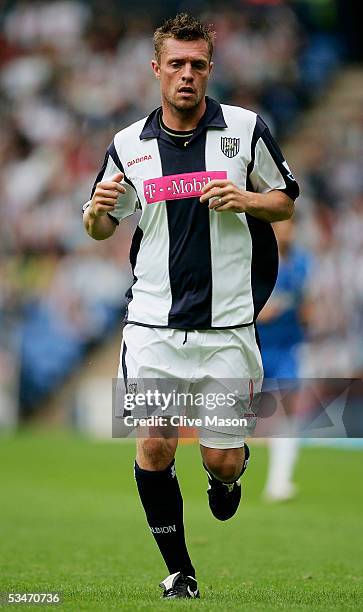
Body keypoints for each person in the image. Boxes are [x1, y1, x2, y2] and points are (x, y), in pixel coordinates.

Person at [83, 13, 299, 600]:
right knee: (154, 442)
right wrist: (96, 212)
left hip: (227, 329)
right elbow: (102, 225)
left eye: (197, 64)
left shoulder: (246, 131)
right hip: (152, 325)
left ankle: (228, 476)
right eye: (175, 64)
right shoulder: (129, 144)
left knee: (222, 461)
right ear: (156, 69)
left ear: (210, 69)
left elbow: (284, 203)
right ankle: (180, 570)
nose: (186, 75)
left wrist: (247, 197)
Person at [257, 219, 312, 501]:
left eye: (290, 225)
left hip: (289, 347)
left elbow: (307, 303)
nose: (287, 230)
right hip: (256, 345)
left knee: (287, 411)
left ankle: (280, 480)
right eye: (281, 225)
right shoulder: (257, 256)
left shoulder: (303, 261)